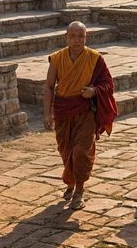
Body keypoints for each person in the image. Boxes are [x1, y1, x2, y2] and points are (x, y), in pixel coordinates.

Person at [43, 21, 117, 209]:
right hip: (63, 111)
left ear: (86, 37)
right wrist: (47, 113)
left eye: (81, 36)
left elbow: (108, 84)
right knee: (66, 151)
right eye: (73, 36)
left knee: (81, 151)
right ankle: (70, 181)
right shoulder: (57, 58)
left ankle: (79, 191)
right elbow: (50, 86)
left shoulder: (94, 58)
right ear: (66, 37)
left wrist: (94, 90)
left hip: (85, 111)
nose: (77, 40)